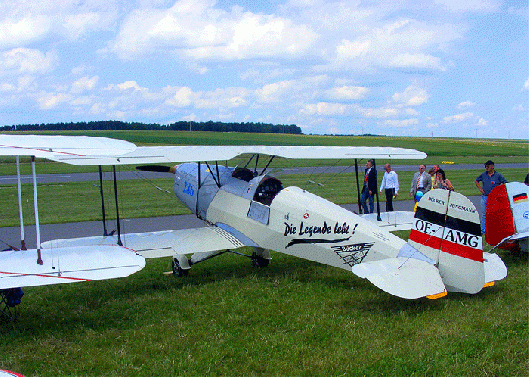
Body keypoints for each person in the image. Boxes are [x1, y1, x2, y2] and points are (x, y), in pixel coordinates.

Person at [475, 160, 508, 234]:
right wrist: (480, 188)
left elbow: (505, 183)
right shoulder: (483, 175)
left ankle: (495, 229)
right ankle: (483, 231)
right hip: (485, 197)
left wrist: (500, 191)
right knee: (484, 214)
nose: (486, 168)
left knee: (495, 213)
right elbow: (476, 180)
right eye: (485, 166)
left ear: (492, 167)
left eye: (488, 166)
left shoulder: (498, 175)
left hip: (495, 198)